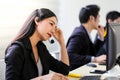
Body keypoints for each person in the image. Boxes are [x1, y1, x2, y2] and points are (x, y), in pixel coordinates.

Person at [5, 8, 69, 80]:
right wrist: (42, 79)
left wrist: (61, 42)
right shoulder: (16, 50)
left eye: (55, 28)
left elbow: (64, 70)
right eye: (51, 24)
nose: (53, 31)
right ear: (37, 20)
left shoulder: (41, 48)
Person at [66, 4, 106, 70]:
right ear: (91, 18)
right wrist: (94, 59)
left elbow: (92, 53)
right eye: (98, 17)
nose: (99, 20)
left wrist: (100, 37)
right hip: (75, 73)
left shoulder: (85, 32)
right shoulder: (79, 34)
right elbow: (69, 56)